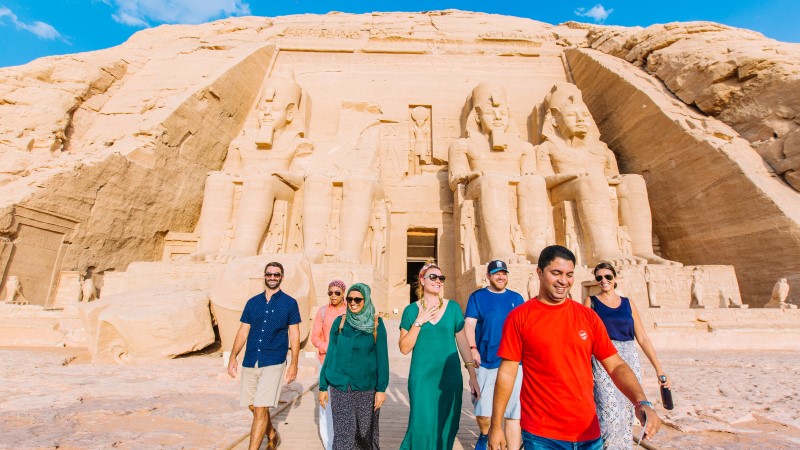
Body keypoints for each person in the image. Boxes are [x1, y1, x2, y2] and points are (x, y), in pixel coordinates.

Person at [488, 246, 661, 450]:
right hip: (542, 434)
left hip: (588, 433)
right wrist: (495, 425)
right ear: (539, 272)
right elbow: (507, 374)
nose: (564, 281)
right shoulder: (519, 317)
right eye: (556, 273)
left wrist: (641, 401)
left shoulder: (587, 317)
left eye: (569, 275)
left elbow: (615, 365)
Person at [584, 262, 672, 449]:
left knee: (627, 410)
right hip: (603, 358)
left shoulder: (627, 303)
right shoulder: (591, 302)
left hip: (629, 357)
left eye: (608, 276)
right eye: (599, 277)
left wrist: (659, 369)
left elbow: (642, 337)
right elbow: (585, 337)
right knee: (608, 410)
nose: (604, 281)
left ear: (615, 278)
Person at [398, 262, 481, 450]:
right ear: (422, 280)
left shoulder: (453, 308)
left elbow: (462, 343)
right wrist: (419, 321)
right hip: (422, 378)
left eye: (441, 278)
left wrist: (472, 377)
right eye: (433, 277)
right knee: (421, 425)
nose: (438, 281)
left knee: (448, 424)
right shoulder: (411, 311)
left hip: (449, 378)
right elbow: (404, 348)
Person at [227, 262, 301, 450]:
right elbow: (243, 331)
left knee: (261, 408)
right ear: (264, 276)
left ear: (282, 277)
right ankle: (272, 434)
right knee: (253, 405)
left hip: (274, 360)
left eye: (277, 274)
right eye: (269, 274)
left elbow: (294, 334)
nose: (273, 277)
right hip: (251, 359)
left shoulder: (290, 303)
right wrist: (233, 356)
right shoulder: (253, 302)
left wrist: (294, 363)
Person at [319, 283, 389, 450]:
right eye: (349, 299)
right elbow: (330, 355)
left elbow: (383, 359)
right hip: (340, 386)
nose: (353, 302)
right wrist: (322, 386)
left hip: (366, 387)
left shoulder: (376, 324)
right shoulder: (340, 323)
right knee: (344, 434)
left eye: (358, 299)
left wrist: (381, 389)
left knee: (365, 434)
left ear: (366, 300)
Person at [465, 260, 525, 450]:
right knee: (483, 410)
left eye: (504, 273)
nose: (501, 277)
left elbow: (525, 328)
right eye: (496, 273)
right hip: (487, 360)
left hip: (514, 361)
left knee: (513, 412)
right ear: (488, 276)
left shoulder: (516, 298)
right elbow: (469, 325)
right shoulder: (477, 297)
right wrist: (473, 348)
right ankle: (486, 435)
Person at [311, 280, 348, 450]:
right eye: (330, 293)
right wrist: (329, 347)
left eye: (337, 293)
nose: (333, 296)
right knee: (326, 402)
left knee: (345, 400)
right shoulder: (323, 312)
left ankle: (344, 440)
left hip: (345, 363)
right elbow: (315, 337)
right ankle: (329, 443)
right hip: (325, 361)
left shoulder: (350, 310)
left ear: (343, 293)